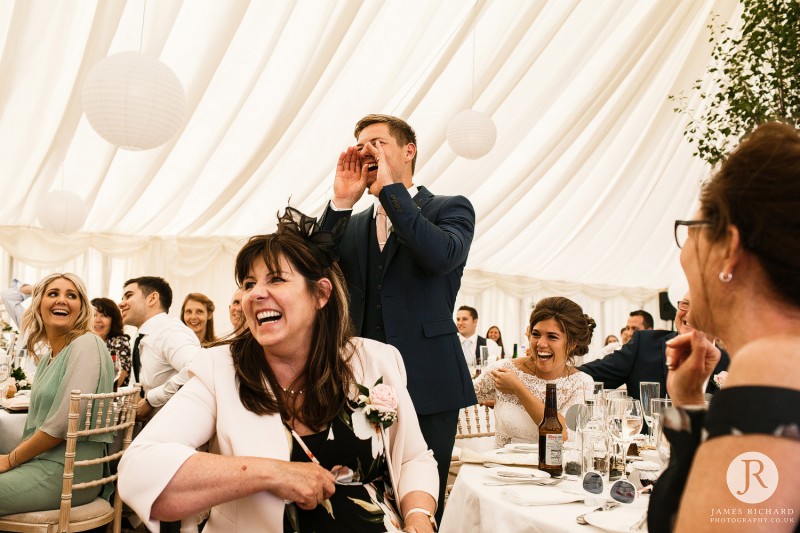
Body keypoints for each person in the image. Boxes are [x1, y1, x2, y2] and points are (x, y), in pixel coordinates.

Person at [118, 208, 438, 533]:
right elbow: (139, 469)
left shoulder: (376, 360)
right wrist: (272, 473)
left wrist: (419, 518)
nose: (254, 294)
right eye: (248, 283)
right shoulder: (219, 370)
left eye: (276, 279)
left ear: (321, 294)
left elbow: (414, 458)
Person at [318, 114, 475, 523]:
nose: (366, 151)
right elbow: (310, 267)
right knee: (360, 494)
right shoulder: (350, 225)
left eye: (378, 143)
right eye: (361, 144)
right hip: (357, 381)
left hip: (431, 381)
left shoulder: (450, 208)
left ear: (409, 151)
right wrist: (340, 202)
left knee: (421, 497)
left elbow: (440, 256)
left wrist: (390, 191)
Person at [649, 122, 800, 532]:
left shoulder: (775, 365)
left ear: (729, 249)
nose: (683, 257)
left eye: (692, 232)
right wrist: (689, 403)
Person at [0, 274, 114, 514]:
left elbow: (61, 425)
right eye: (53, 294)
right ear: (39, 303)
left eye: (71, 295)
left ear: (81, 307)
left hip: (68, 473)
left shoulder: (87, 343)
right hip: (42, 464)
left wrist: (10, 459)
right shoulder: (48, 359)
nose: (62, 300)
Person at [473, 296, 595, 446]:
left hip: (554, 467)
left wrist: (518, 389)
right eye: (536, 334)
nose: (541, 344)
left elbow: (562, 435)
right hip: (501, 466)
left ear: (571, 344)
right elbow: (457, 398)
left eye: (552, 337)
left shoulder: (582, 383)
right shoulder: (504, 370)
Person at [579, 293, 729, 404]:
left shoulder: (732, 364)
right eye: (685, 304)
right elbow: (589, 376)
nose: (689, 313)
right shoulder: (644, 344)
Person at [118, 276, 201, 422]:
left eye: (129, 296)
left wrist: (151, 400)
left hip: (175, 428)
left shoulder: (170, 331)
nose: (121, 303)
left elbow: (198, 366)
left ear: (152, 298)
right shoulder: (143, 337)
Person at [92, 297, 132, 389]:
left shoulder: (119, 342)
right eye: (94, 315)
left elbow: (117, 379)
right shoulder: (84, 342)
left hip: (109, 398)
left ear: (113, 320)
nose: (97, 320)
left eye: (104, 315)